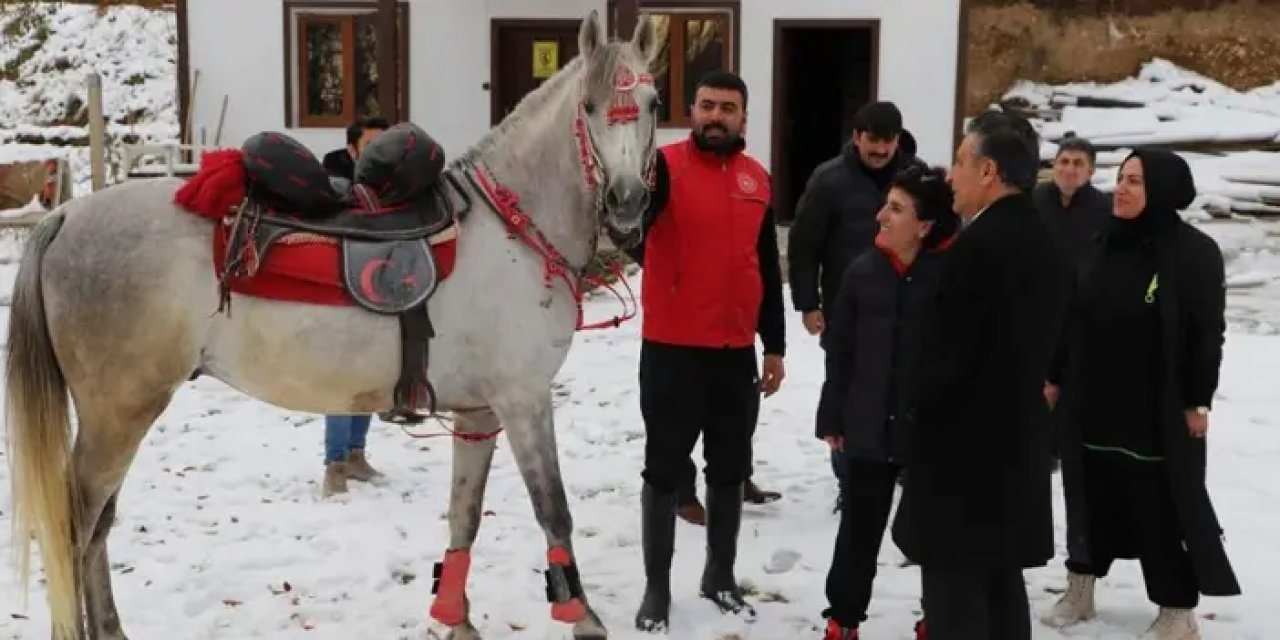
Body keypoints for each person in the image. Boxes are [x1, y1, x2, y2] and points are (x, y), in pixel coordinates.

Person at [1041, 148, 1240, 638]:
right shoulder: (1100, 241)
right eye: (1120, 178)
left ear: (1164, 192)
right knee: (1087, 495)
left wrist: (1197, 399)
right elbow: (1071, 316)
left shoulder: (1193, 252)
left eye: (1135, 181)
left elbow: (1205, 333)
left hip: (1155, 409)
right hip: (1092, 402)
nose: (1122, 189)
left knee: (1160, 507)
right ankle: (1081, 586)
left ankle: (1176, 610)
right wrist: (1055, 374)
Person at [890, 111, 1072, 640]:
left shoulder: (981, 248)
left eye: (962, 161)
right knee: (1000, 585)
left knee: (956, 597)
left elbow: (943, 360)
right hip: (1015, 448)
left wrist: (914, 407)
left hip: (962, 461)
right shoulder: (1045, 240)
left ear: (989, 171)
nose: (951, 175)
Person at [623, 70, 787, 632]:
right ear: (691, 111)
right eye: (708, 106)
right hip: (671, 350)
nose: (717, 116)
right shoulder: (662, 169)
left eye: (729, 108)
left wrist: (776, 344)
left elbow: (765, 264)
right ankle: (656, 587)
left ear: (745, 117)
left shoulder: (757, 179)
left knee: (729, 467)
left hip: (734, 352)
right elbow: (627, 224)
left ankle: (719, 573)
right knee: (664, 471)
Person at [816, 164, 957, 640]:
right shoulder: (863, 272)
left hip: (929, 432)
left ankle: (938, 615)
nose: (881, 216)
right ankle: (843, 616)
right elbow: (840, 352)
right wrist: (833, 415)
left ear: (925, 225)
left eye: (896, 209)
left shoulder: (951, 277)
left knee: (933, 533)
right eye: (884, 205)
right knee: (858, 529)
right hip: (868, 424)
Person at [787, 101, 922, 509]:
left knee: (904, 389)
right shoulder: (829, 180)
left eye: (888, 142)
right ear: (857, 137)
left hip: (907, 308)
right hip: (847, 310)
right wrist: (809, 303)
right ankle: (849, 477)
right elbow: (804, 245)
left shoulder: (916, 179)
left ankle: (902, 466)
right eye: (873, 141)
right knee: (847, 394)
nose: (880, 150)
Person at [1032, 133, 1112, 590]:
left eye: (1079, 163)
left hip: (1081, 326)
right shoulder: (1034, 203)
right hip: (1037, 322)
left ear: (1091, 170)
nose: (1070, 170)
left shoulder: (1102, 212)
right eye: (1064, 162)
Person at [320, 115, 390, 498]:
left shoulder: (393, 175)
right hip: (339, 286)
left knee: (368, 376)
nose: (380, 155)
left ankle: (357, 454)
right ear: (352, 149)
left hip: (378, 285)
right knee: (341, 378)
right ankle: (335, 465)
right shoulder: (332, 175)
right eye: (371, 147)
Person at [322, 115, 390, 190]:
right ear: (352, 150)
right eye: (371, 146)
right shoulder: (334, 164)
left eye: (384, 144)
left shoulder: (396, 163)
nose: (381, 151)